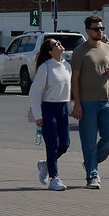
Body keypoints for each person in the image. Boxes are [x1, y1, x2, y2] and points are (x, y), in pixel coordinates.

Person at [71, 16, 109, 190]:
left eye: (101, 28)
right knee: (89, 140)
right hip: (87, 101)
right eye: (96, 29)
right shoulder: (80, 51)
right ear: (87, 31)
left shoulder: (107, 48)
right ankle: (92, 175)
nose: (100, 32)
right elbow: (74, 79)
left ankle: (90, 161)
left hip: (107, 100)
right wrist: (77, 104)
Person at [31, 38, 73, 190]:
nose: (60, 45)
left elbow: (67, 90)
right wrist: (37, 115)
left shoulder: (67, 66)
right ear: (50, 52)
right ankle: (54, 178)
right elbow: (35, 91)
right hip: (48, 109)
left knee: (65, 144)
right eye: (56, 44)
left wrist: (69, 108)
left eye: (60, 43)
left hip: (62, 108)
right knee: (52, 143)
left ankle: (46, 164)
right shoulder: (46, 67)